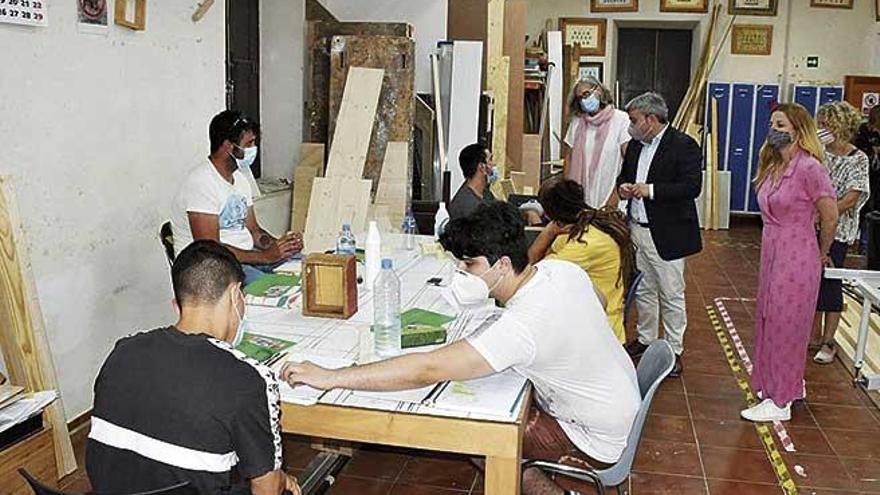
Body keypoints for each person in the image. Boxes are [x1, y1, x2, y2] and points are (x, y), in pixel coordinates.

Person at [280, 202, 640, 495]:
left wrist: (331, 377)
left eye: (470, 265)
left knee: (478, 435)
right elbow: (597, 297)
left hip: (594, 439)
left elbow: (426, 370)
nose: (463, 273)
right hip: (618, 405)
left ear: (501, 264)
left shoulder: (524, 326)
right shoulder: (560, 271)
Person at [87, 240, 300, 495]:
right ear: (236, 296)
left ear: (176, 306)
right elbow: (266, 490)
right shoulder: (248, 379)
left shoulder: (123, 352)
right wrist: (278, 479)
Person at [740, 104, 838, 422]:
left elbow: (830, 214)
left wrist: (821, 252)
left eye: (780, 124)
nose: (773, 128)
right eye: (771, 123)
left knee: (786, 324)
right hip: (772, 252)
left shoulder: (810, 168)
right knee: (769, 319)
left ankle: (779, 401)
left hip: (798, 254)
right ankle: (781, 385)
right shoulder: (772, 166)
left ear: (798, 130)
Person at [615, 92, 702, 376]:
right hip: (638, 229)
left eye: (634, 120)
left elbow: (691, 187)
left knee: (671, 293)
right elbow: (623, 177)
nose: (631, 125)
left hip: (668, 233)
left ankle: (674, 350)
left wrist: (650, 190)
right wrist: (624, 188)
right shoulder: (636, 147)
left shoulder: (684, 146)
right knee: (645, 290)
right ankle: (646, 338)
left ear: (650, 120)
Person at [171, 110, 302, 285]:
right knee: (274, 287)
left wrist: (281, 246)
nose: (253, 149)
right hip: (213, 268)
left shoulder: (240, 179)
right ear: (228, 146)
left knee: (304, 269)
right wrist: (265, 257)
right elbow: (210, 249)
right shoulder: (201, 183)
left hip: (246, 258)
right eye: (249, 144)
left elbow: (254, 231)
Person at [528, 178, 635, 343]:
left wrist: (549, 232)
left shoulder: (585, 242)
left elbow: (532, 270)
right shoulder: (589, 221)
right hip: (589, 315)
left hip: (598, 332)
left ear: (552, 214)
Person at [812, 102, 869, 364]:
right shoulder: (818, 153)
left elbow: (851, 197)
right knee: (811, 282)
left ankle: (828, 340)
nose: (822, 129)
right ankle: (811, 334)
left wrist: (826, 213)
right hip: (810, 226)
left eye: (826, 124)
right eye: (820, 123)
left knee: (831, 284)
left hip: (838, 230)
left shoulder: (858, 159)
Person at [563, 76, 631, 208]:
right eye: (580, 97)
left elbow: (629, 161)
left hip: (611, 195)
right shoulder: (577, 123)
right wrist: (568, 194)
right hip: (582, 197)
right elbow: (569, 158)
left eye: (586, 94)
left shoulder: (621, 120)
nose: (584, 100)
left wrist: (617, 194)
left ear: (599, 90)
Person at [854, 105, 880, 251]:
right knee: (863, 209)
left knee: (874, 211)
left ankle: (869, 245)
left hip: (877, 180)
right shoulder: (863, 131)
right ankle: (862, 244)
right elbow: (858, 150)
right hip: (866, 176)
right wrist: (872, 152)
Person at [448, 142, 497, 221]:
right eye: (490, 160)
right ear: (481, 167)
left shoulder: (486, 194)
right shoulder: (466, 203)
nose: (493, 164)